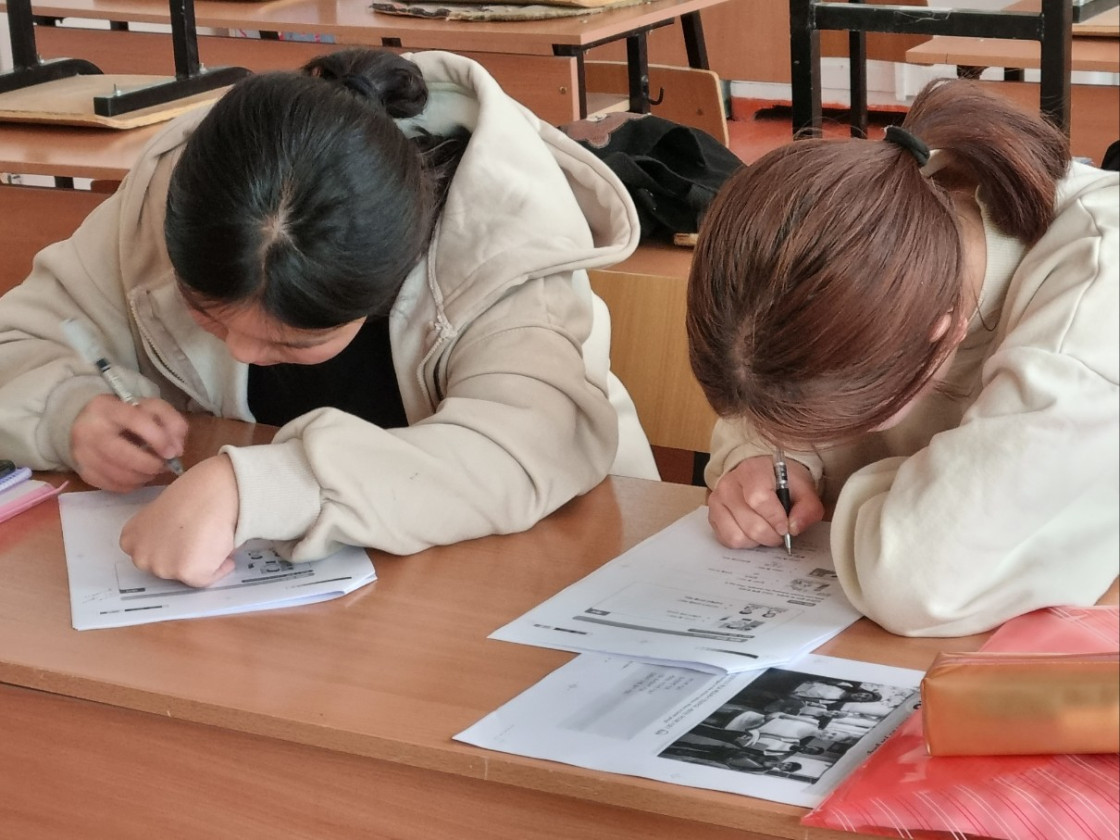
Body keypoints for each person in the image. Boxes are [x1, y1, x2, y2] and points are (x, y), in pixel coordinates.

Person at [0, 48, 658, 586]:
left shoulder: (499, 248)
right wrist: (67, 411)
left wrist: (268, 486)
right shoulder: (191, 194)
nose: (241, 352)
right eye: (205, 311)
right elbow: (19, 337)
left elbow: (525, 448)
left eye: (294, 341)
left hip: (518, 572)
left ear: (388, 288)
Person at [686, 78, 1118, 637]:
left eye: (840, 422)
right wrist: (761, 458)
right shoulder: (888, 213)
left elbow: (918, 578)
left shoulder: (1095, 299)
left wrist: (867, 489)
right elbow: (771, 380)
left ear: (943, 334)